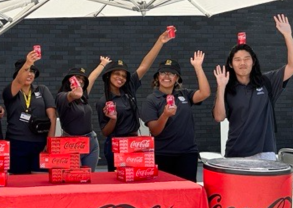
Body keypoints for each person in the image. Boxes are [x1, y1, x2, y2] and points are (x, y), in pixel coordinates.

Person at [213, 14, 293, 160]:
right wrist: (221, 87)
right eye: (238, 60)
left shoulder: (266, 81)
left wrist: (288, 35)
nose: (243, 63)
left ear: (253, 61)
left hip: (265, 152)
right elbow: (219, 117)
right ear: (230, 64)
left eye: (247, 59)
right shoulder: (227, 88)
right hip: (236, 154)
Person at [96, 29, 173, 171]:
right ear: (108, 76)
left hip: (134, 142)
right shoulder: (103, 101)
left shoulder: (128, 88)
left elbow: (144, 66)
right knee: (118, 183)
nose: (121, 78)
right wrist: (112, 119)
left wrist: (160, 41)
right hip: (115, 145)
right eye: (117, 74)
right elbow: (105, 132)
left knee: (136, 178)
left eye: (124, 75)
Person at [140, 52, 211, 181]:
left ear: (177, 78)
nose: (167, 76)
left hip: (187, 154)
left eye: (171, 73)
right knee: (164, 194)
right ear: (157, 77)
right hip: (162, 154)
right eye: (163, 73)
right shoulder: (151, 100)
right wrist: (165, 115)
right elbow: (155, 131)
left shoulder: (184, 94)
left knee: (187, 192)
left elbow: (205, 93)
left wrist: (198, 67)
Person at [3, 50, 56, 174]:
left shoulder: (42, 90)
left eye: (32, 71)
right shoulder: (10, 91)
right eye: (26, 70)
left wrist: (50, 141)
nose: (29, 74)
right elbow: (18, 82)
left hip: (40, 143)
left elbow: (52, 117)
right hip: (16, 144)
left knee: (40, 182)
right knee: (19, 182)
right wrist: (27, 63)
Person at [56, 56, 111, 171]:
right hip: (72, 144)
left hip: (91, 141)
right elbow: (70, 96)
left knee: (89, 177)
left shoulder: (83, 96)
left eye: (82, 79)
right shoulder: (61, 97)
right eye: (77, 78)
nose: (80, 81)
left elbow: (92, 77)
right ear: (68, 80)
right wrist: (73, 94)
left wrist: (103, 64)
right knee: (75, 178)